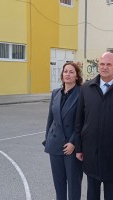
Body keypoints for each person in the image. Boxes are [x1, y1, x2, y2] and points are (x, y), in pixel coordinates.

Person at [74, 52, 113, 200]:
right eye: (102, 64)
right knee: (92, 193)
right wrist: (79, 147)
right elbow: (79, 120)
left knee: (112, 194)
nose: (105, 67)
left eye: (109, 64)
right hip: (90, 151)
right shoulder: (86, 88)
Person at [43, 62, 83, 200]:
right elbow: (51, 118)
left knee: (73, 184)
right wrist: (47, 139)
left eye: (71, 72)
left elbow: (83, 122)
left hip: (71, 146)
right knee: (59, 184)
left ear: (77, 76)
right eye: (65, 71)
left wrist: (73, 143)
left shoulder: (82, 93)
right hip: (55, 144)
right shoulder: (55, 93)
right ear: (62, 75)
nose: (68, 74)